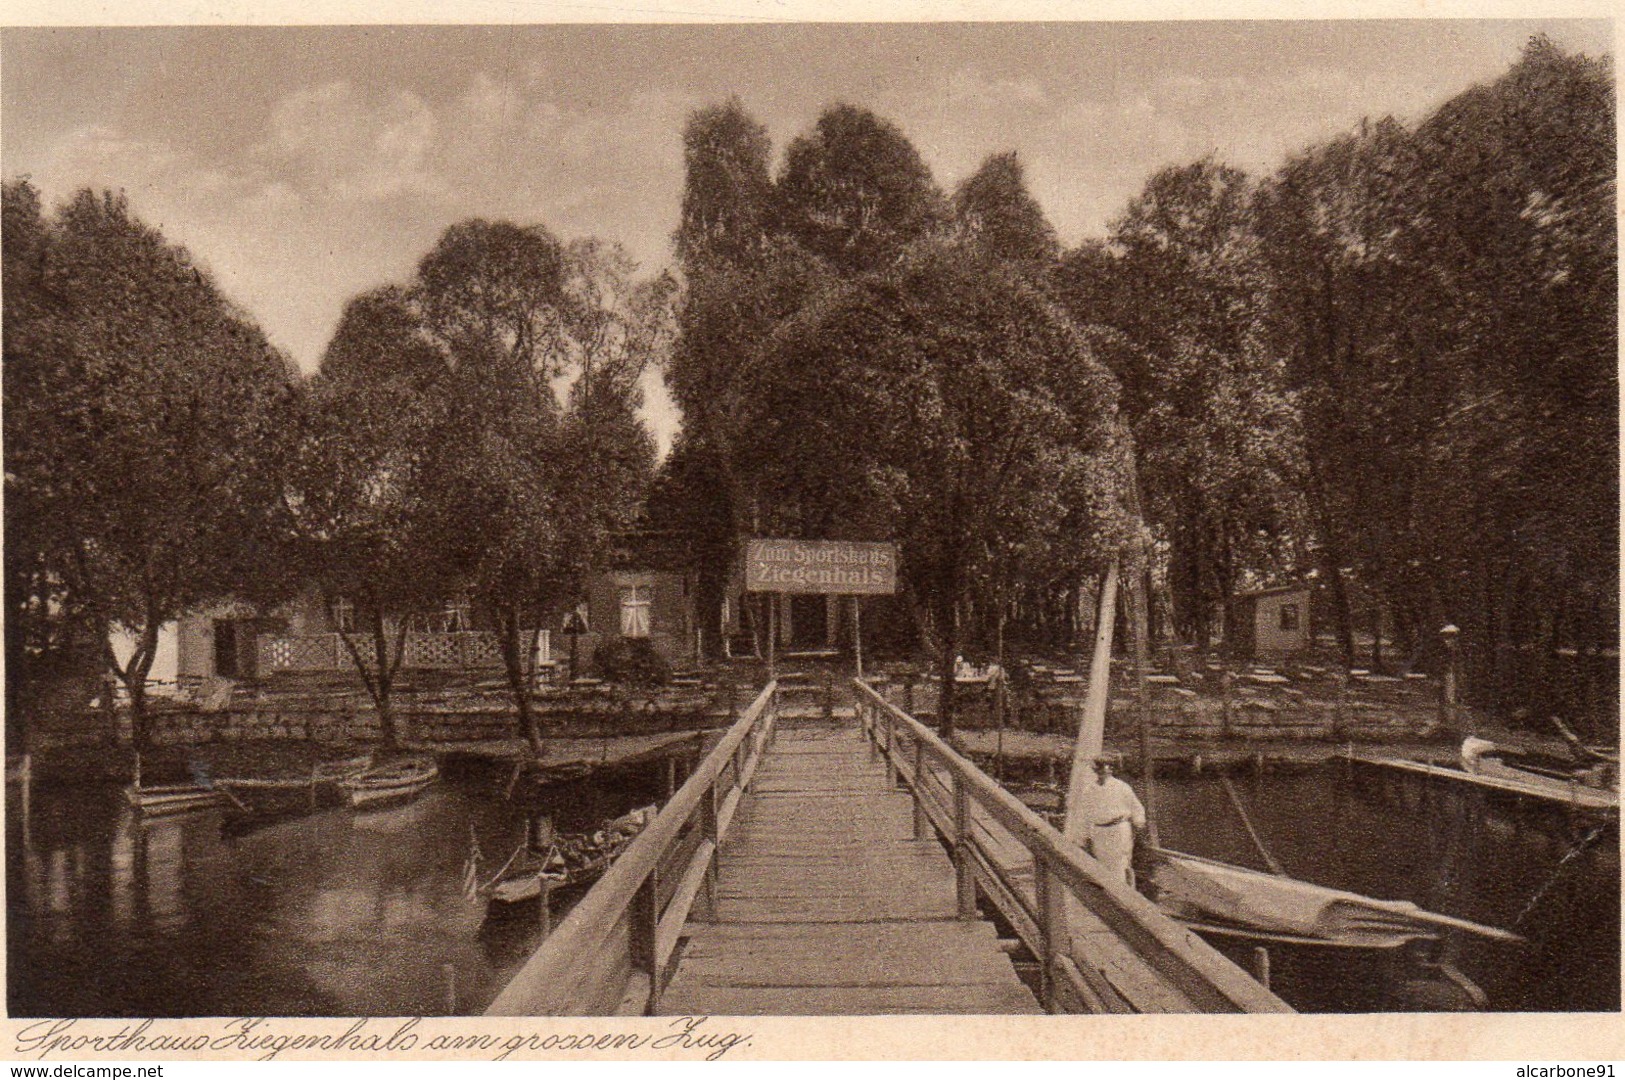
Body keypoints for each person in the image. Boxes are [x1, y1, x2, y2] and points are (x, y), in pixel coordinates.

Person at [1086, 755, 1146, 887]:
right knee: (1102, 865)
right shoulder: (1091, 789)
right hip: (1099, 831)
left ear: (1110, 769)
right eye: (1098, 768)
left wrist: (1138, 824)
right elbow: (1088, 814)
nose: (1100, 771)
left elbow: (1137, 809)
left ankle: (1123, 898)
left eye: (1104, 767)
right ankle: (1108, 898)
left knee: (1119, 866)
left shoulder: (1122, 787)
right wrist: (1088, 834)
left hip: (1118, 830)